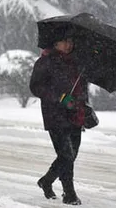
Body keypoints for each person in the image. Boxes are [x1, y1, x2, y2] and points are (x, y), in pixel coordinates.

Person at [29, 31, 86, 205]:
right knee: (66, 155)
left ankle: (46, 180)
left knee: (71, 155)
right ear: (55, 43)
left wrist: (84, 106)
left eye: (71, 41)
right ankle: (69, 193)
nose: (68, 45)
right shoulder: (45, 62)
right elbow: (36, 87)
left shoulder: (76, 62)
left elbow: (80, 88)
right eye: (64, 41)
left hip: (75, 114)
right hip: (55, 115)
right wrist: (60, 97)